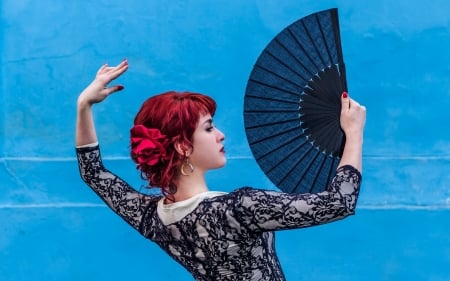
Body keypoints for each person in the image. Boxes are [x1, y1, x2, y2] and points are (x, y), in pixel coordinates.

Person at [76, 59, 366, 281]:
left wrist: (83, 106)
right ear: (182, 147)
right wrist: (353, 134)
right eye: (209, 127)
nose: (220, 135)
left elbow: (93, 173)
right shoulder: (239, 208)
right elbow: (339, 202)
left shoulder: (153, 220)